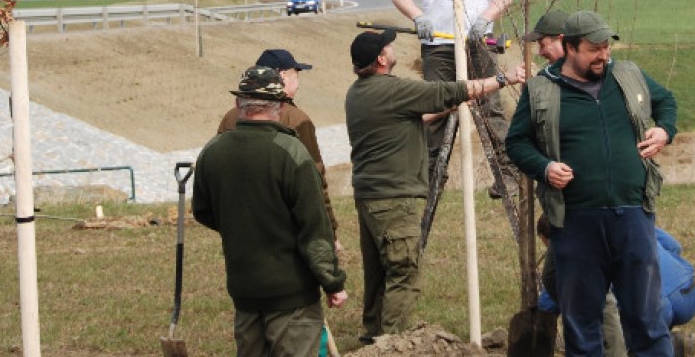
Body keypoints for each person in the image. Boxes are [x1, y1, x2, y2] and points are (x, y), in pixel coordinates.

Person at [506, 10, 678, 357]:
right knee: (582, 325)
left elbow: (667, 103)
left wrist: (664, 131)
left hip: (632, 215)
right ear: (569, 47)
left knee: (646, 319)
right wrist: (545, 167)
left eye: (606, 47)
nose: (603, 55)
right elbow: (517, 142)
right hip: (576, 221)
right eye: (594, 49)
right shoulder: (542, 89)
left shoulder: (628, 76)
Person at [344, 28, 523, 343]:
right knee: (403, 272)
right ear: (381, 59)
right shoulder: (393, 90)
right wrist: (502, 79)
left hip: (370, 197)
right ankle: (390, 344)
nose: (392, 46)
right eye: (388, 45)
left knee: (378, 273)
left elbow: (414, 116)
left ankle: (371, 335)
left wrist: (452, 107)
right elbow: (446, 90)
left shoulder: (359, 93)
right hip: (395, 198)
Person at [193, 65, 347, 357]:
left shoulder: (213, 151)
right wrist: (333, 283)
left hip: (244, 290)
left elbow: (202, 210)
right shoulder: (291, 152)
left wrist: (240, 225)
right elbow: (314, 229)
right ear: (278, 106)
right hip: (292, 296)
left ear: (239, 104)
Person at [390, 0, 514, 190]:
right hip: (439, 46)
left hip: (478, 43)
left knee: (490, 107)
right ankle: (433, 174)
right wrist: (418, 17)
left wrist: (486, 18)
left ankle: (506, 174)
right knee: (435, 109)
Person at [217, 48, 340, 248]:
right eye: (296, 74)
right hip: (287, 231)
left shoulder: (230, 117)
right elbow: (315, 180)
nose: (298, 83)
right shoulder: (297, 119)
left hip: (240, 232)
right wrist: (330, 231)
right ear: (282, 76)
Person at [537, 214, 695, 356]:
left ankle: (672, 345)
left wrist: (536, 318)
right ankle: (669, 341)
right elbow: (674, 246)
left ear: (550, 240)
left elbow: (553, 297)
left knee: (616, 341)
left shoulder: (573, 247)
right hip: (687, 289)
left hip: (655, 303)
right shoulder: (628, 221)